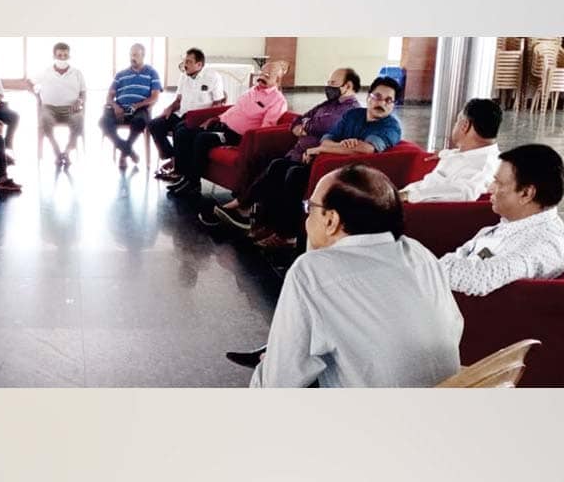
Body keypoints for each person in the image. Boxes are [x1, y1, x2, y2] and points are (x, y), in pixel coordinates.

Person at [242, 164, 463, 387]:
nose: (307, 218)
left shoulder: (311, 272)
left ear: (331, 220)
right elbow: (454, 328)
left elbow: (277, 383)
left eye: (310, 208)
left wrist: (267, 363)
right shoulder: (420, 253)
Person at [253, 76, 402, 249]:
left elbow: (366, 149)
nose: (381, 103)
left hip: (352, 176)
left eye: (388, 100)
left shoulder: (391, 127)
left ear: (394, 105)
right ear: (368, 97)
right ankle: (270, 223)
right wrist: (337, 146)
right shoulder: (353, 115)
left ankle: (287, 235)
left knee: (295, 175)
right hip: (327, 165)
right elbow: (327, 139)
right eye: (377, 97)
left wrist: (321, 150)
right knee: (278, 166)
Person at [210, 68, 361, 231]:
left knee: (277, 166)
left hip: (311, 159)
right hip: (296, 152)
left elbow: (324, 125)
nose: (328, 86)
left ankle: (243, 208)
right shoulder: (328, 104)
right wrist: (302, 124)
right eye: (328, 82)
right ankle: (252, 213)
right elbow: (299, 119)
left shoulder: (351, 110)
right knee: (260, 157)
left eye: (333, 83)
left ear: (348, 86)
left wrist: (306, 125)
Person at [440, 144, 564, 296]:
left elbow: (480, 278)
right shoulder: (513, 223)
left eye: (498, 183)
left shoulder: (545, 245)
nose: (490, 189)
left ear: (526, 193)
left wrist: (430, 268)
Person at [168, 61, 288, 198]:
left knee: (202, 138)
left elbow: (266, 127)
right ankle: (184, 176)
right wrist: (217, 118)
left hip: (235, 136)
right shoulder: (252, 91)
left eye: (267, 75)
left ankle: (193, 183)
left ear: (277, 80)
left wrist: (246, 144)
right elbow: (235, 109)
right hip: (222, 126)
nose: (261, 77)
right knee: (183, 132)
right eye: (261, 73)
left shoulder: (278, 100)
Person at [399, 98, 503, 203]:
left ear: (465, 125)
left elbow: (464, 193)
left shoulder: (482, 168)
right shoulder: (471, 153)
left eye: (457, 121)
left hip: (408, 207)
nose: (455, 125)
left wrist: (406, 196)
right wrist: (442, 153)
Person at [149, 48, 225, 177]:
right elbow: (178, 100)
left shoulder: (213, 77)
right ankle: (173, 157)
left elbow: (218, 104)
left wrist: (210, 119)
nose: (185, 65)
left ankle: (179, 170)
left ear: (199, 64)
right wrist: (169, 109)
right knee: (154, 124)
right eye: (185, 61)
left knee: (180, 130)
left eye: (189, 62)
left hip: (199, 117)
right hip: (182, 114)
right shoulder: (184, 76)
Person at [99, 43, 162, 168]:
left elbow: (155, 96)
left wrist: (137, 105)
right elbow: (109, 96)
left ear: (143, 55)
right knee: (103, 122)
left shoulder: (152, 72)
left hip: (139, 108)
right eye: (131, 55)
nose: (132, 58)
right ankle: (127, 150)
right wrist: (115, 106)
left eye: (135, 55)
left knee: (139, 122)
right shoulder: (120, 74)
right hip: (119, 108)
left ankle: (123, 154)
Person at [29, 42, 87, 166]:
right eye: (59, 55)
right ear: (54, 56)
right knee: (44, 120)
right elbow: (29, 82)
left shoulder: (77, 73)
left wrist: (80, 101)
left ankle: (67, 152)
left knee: (79, 120)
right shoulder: (45, 71)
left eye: (65, 55)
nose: (62, 58)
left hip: (71, 108)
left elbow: (83, 92)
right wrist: (37, 96)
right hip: (49, 108)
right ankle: (56, 150)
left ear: (69, 56)